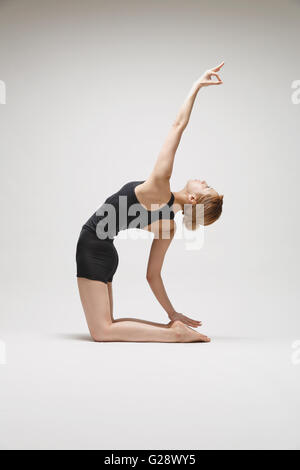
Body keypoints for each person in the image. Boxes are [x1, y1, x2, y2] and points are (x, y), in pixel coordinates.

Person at [76, 62, 224, 343]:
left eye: (205, 186)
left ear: (192, 198)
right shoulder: (169, 225)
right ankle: (173, 329)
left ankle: (174, 336)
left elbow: (178, 125)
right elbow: (153, 275)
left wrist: (196, 86)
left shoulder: (159, 186)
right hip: (105, 252)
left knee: (102, 331)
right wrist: (172, 313)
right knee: (109, 325)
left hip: (92, 245)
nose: (203, 179)